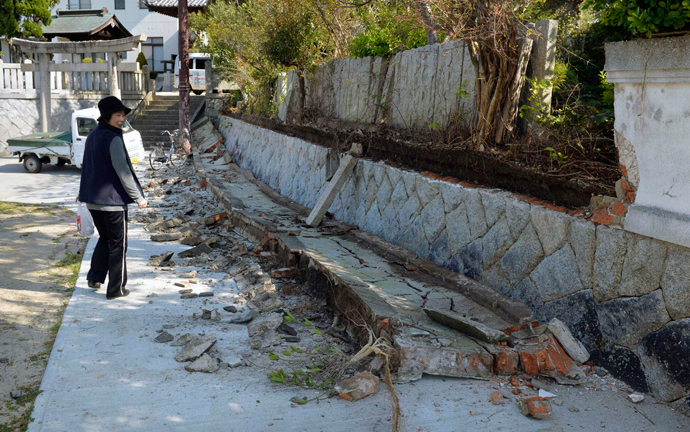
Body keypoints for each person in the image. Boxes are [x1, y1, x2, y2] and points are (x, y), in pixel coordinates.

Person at [78, 96, 147, 300]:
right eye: (118, 115)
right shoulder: (114, 138)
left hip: (93, 201)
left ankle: (95, 277)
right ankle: (116, 289)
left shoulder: (93, 135)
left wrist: (82, 192)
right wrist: (138, 198)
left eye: (124, 115)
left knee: (105, 239)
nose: (122, 119)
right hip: (113, 203)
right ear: (107, 117)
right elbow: (123, 171)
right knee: (118, 245)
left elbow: (88, 166)